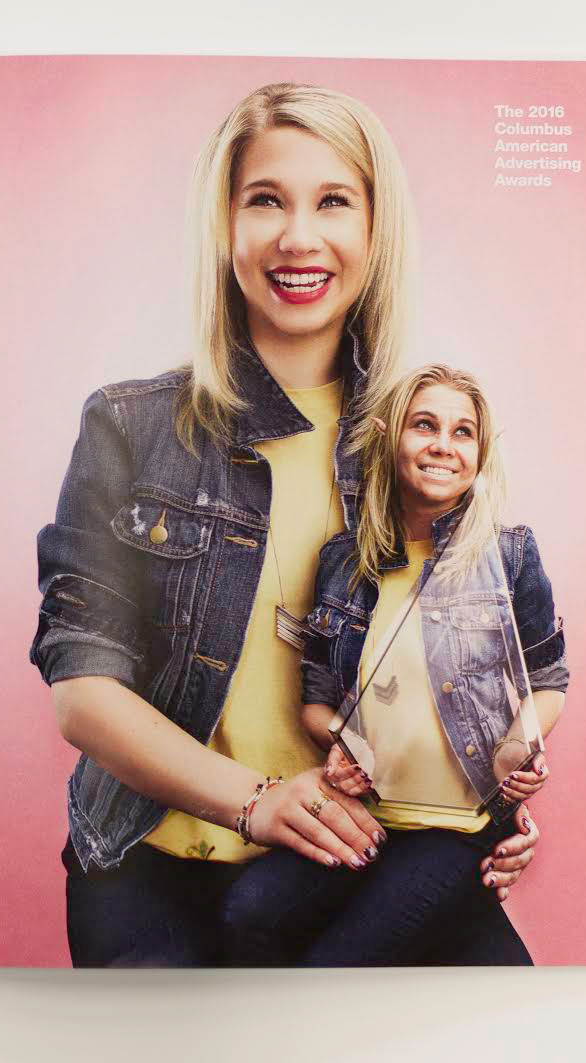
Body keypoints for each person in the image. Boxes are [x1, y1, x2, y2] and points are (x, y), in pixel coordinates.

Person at [30, 83, 542, 968]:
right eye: (266, 199)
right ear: (224, 225)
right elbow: (83, 688)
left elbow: (467, 667)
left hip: (356, 855)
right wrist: (254, 799)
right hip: (158, 862)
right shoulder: (130, 425)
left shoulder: (419, 437)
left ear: (376, 231)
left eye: (333, 201)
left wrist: (479, 804)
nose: (299, 237)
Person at [220, 364, 568, 965]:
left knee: (339, 963)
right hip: (369, 814)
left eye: (464, 433)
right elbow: (317, 701)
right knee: (244, 913)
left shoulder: (510, 554)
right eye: (424, 425)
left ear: (481, 453)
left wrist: (519, 744)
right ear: (392, 439)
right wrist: (341, 745)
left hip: (459, 828)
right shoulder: (342, 561)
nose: (442, 445)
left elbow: (549, 680)